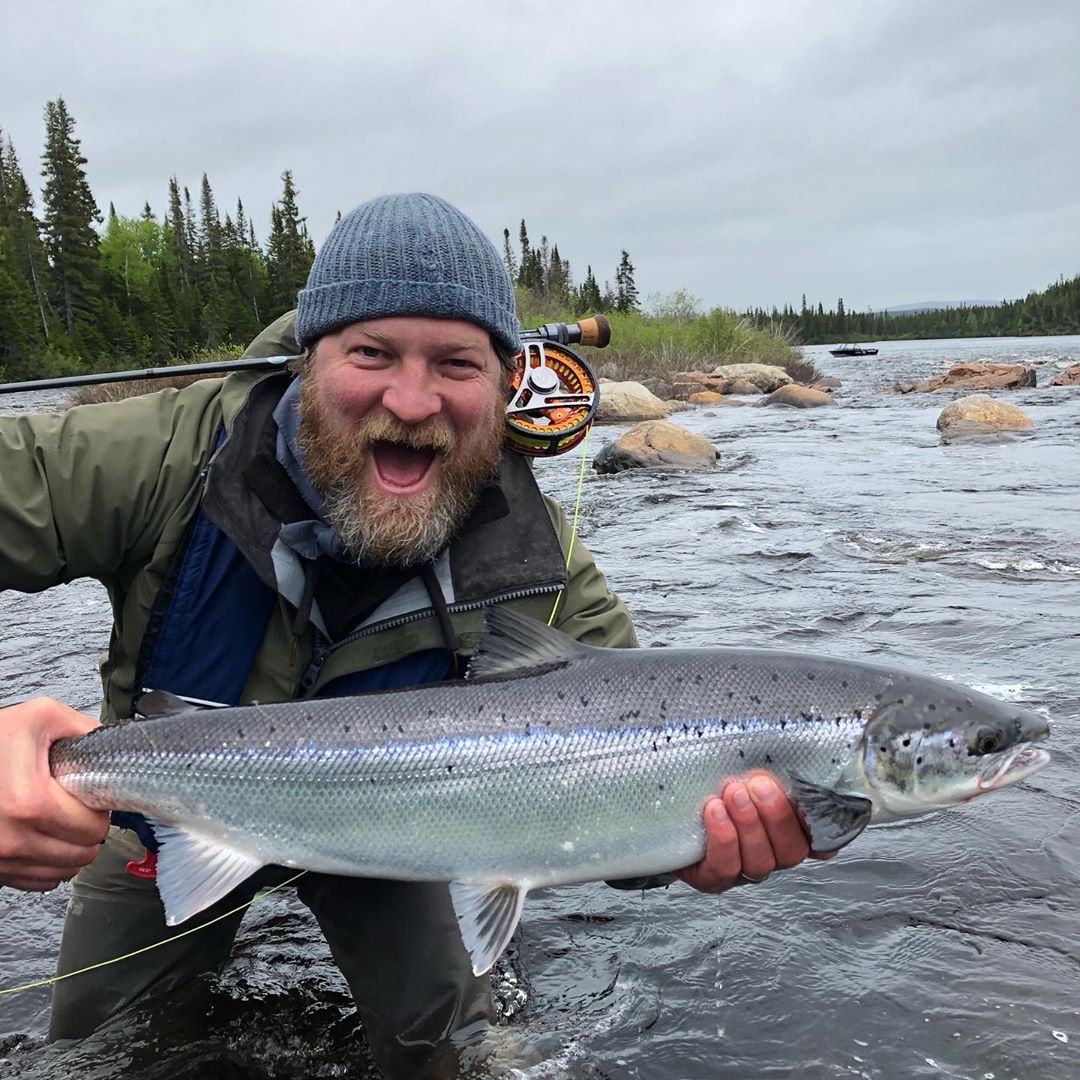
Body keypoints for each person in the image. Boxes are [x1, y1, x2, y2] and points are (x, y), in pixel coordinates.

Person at [0, 193, 826, 1077]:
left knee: (460, 1059)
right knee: (96, 1056)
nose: (412, 399)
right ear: (306, 362)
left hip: (414, 834)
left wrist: (696, 843)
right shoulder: (160, 453)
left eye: (457, 363)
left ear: (506, 385)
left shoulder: (542, 565)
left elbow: (628, 791)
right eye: (372, 352)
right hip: (172, 808)